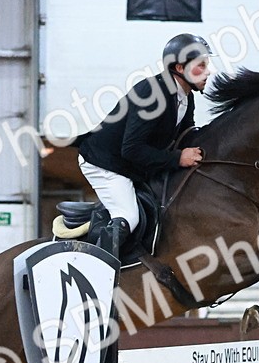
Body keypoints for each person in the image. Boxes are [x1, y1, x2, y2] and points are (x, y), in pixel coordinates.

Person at [76, 33, 213, 258]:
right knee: (129, 216)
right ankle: (95, 273)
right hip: (104, 163)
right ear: (180, 68)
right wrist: (177, 158)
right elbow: (131, 149)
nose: (208, 71)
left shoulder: (185, 97)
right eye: (201, 65)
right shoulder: (152, 93)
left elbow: (187, 136)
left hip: (131, 165)